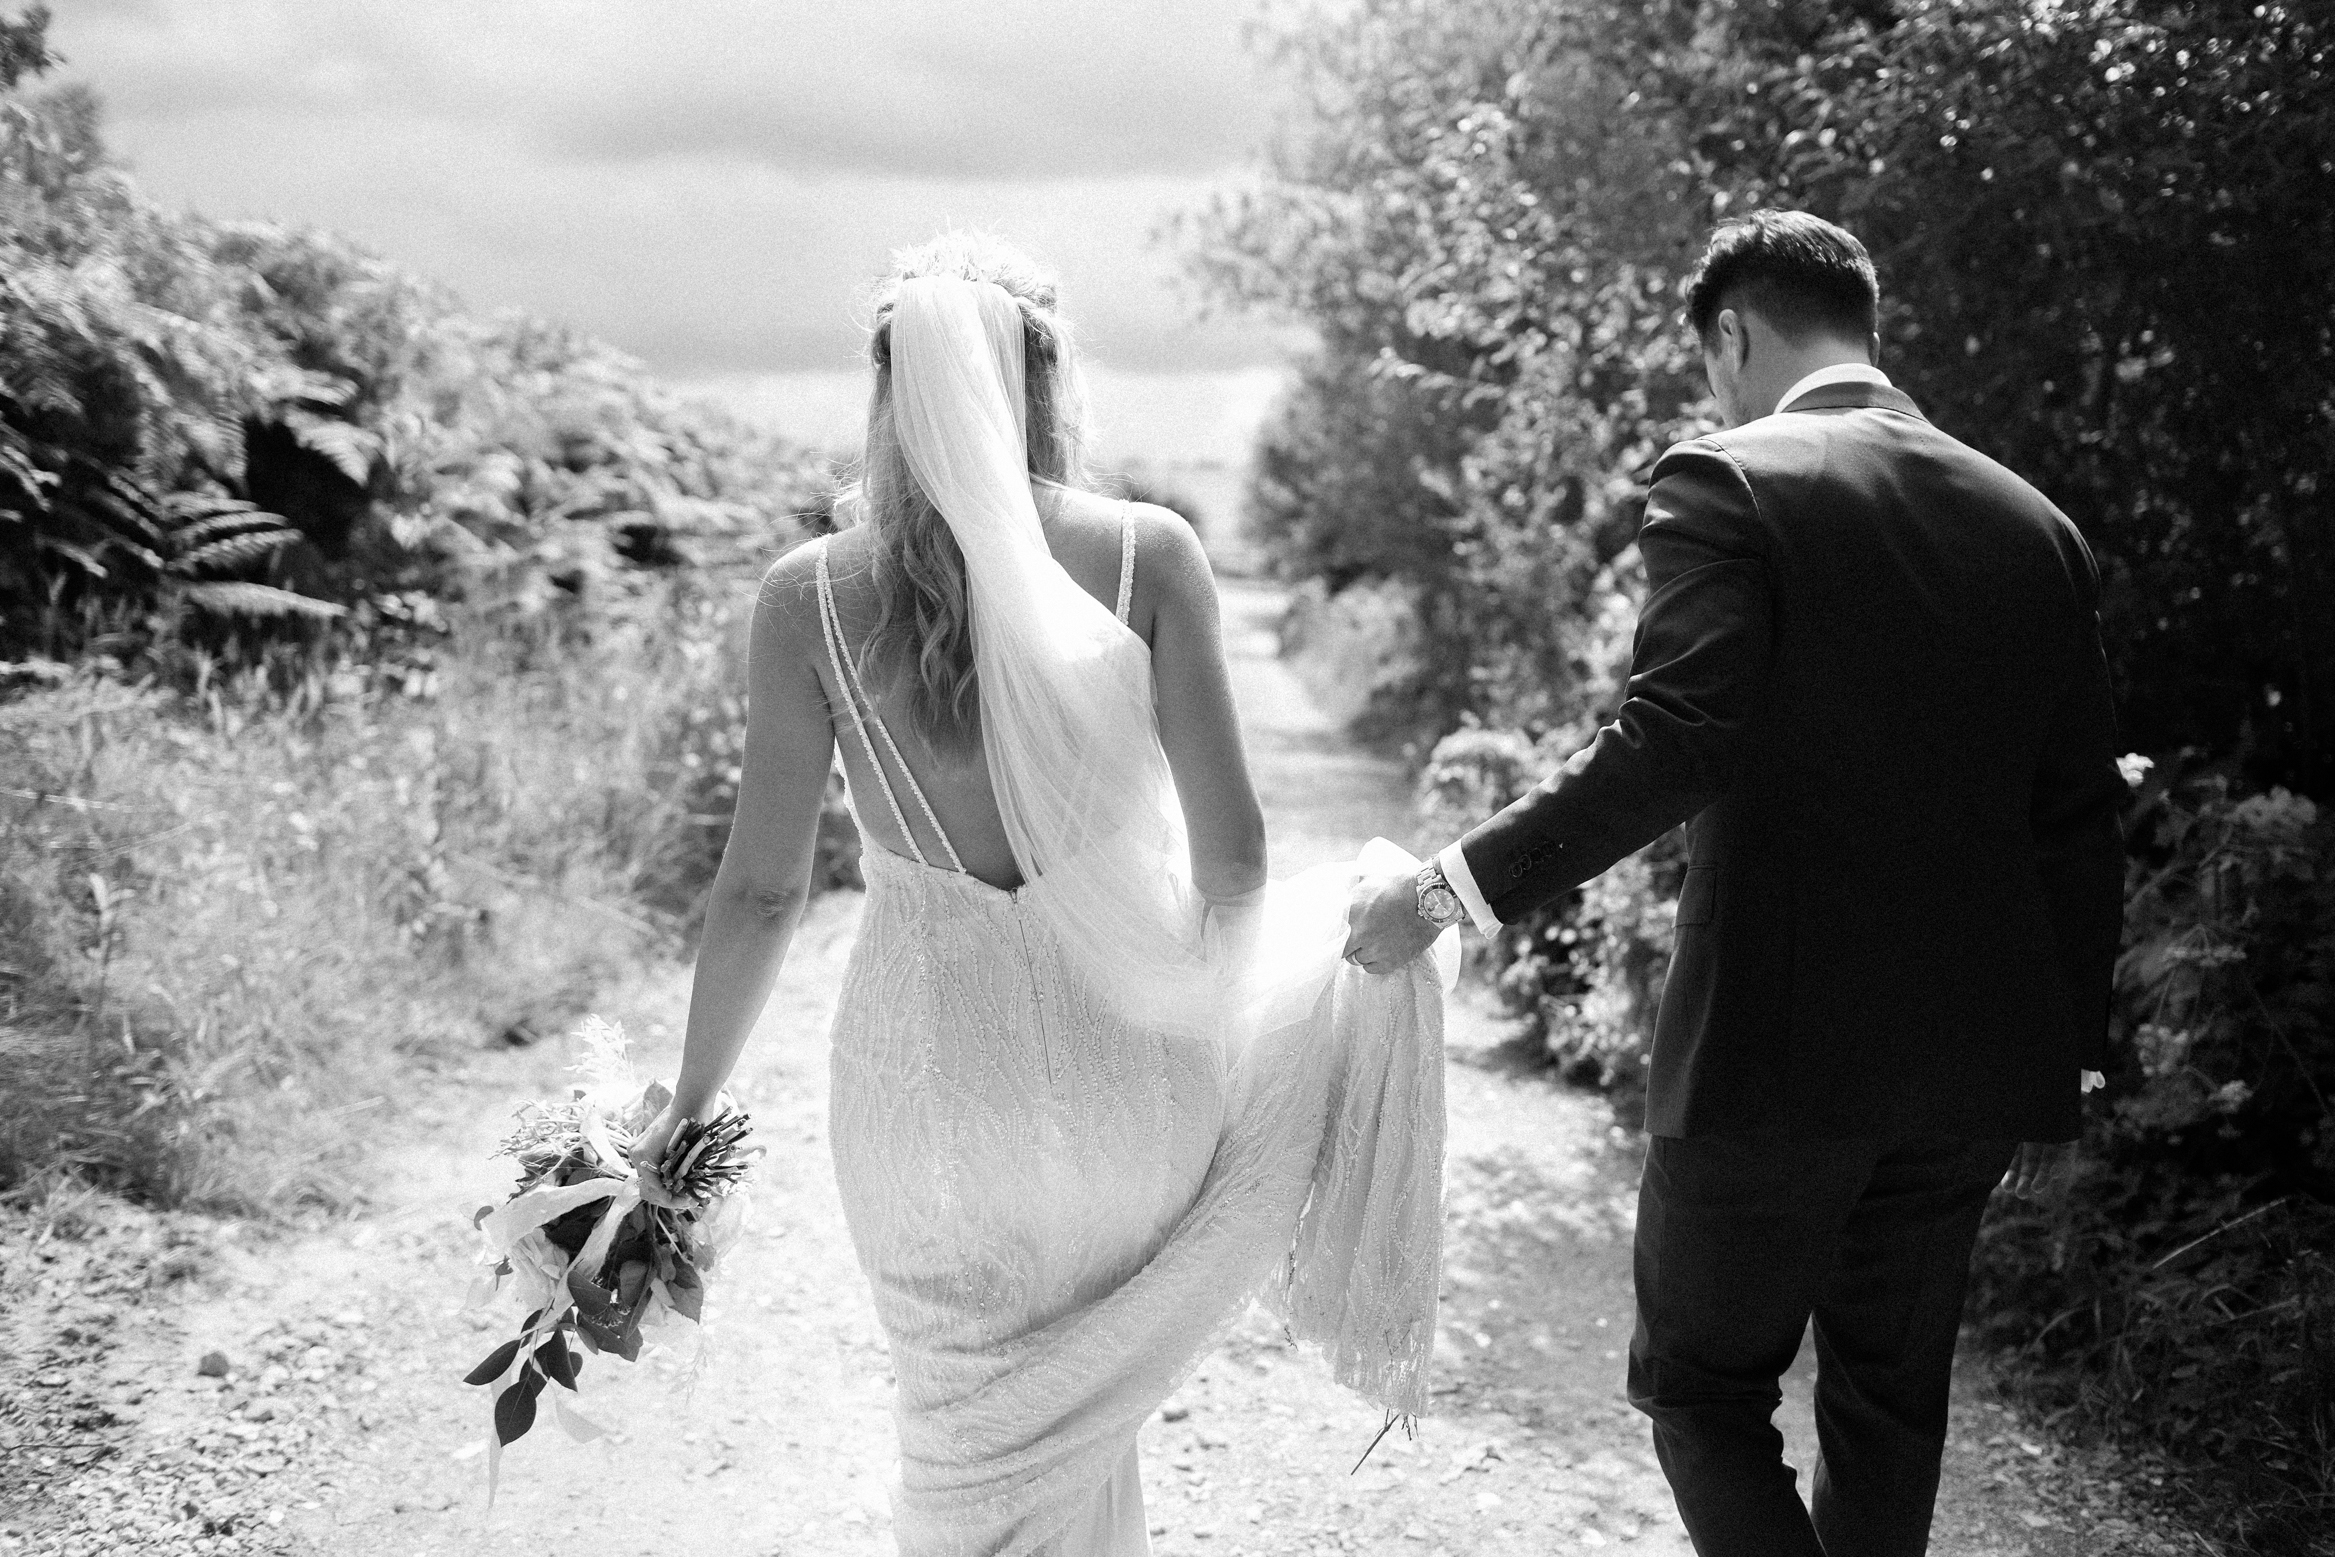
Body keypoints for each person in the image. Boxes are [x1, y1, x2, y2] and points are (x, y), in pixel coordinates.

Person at [634, 235, 1454, 1556]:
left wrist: (683, 1113)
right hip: (1130, 1079)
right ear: (1048, 383)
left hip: (922, 1095)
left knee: (957, 1442)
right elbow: (1239, 859)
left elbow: (762, 893)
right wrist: (1202, 999)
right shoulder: (1150, 556)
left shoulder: (808, 599)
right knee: (1081, 1431)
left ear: (890, 397)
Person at [1343, 210, 2125, 1556]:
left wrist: (1439, 893)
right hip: (1971, 1068)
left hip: (1770, 1051)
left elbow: (1672, 744)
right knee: (1890, 1403)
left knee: (1700, 1391)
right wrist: (2071, 1055)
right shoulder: (2035, 523)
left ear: (1733, 332)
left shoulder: (1730, 479)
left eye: (1710, 361)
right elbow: (2077, 819)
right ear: (1865, 325)